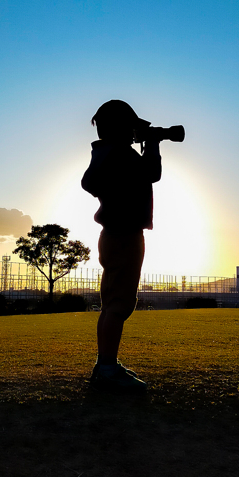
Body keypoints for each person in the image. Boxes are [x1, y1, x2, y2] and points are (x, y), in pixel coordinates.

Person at [81, 99, 162, 393]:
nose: (134, 133)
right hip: (124, 235)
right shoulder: (118, 154)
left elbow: (90, 182)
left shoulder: (106, 154)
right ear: (121, 128)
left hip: (114, 235)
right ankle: (107, 369)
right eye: (131, 127)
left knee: (112, 304)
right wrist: (152, 143)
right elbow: (152, 172)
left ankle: (107, 364)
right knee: (119, 304)